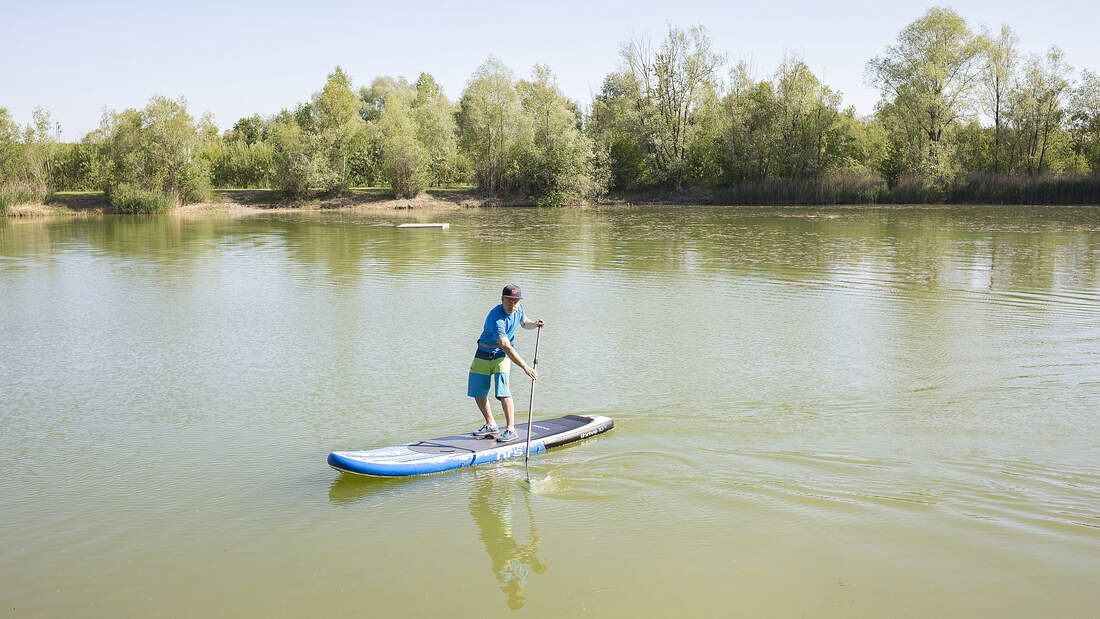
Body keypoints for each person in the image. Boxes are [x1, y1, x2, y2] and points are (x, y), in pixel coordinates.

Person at [469, 284, 545, 442]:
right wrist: (525, 366)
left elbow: (524, 323)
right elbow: (505, 345)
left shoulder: (518, 308)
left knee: (503, 390)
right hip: (484, 353)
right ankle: (491, 425)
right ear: (502, 299)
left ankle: (511, 429)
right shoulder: (496, 318)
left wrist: (535, 324)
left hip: (501, 356)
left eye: (516, 302)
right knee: (478, 392)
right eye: (509, 301)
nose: (513, 305)